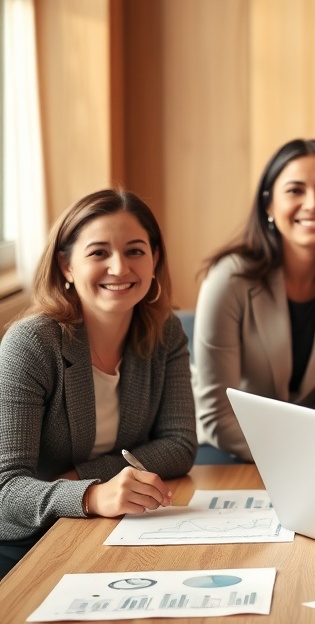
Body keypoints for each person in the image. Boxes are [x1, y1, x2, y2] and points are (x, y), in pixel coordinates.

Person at [0, 190, 197, 578]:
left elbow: (180, 445)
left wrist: (81, 475)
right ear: (66, 265)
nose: (120, 267)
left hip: (111, 531)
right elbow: (5, 491)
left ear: (155, 260)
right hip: (27, 542)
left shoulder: (165, 332)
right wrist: (91, 494)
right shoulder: (31, 345)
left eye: (136, 251)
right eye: (98, 253)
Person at [192, 139, 315, 462]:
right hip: (229, 444)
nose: (313, 204)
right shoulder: (229, 279)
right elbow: (217, 413)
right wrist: (307, 446)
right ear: (269, 205)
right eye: (295, 191)